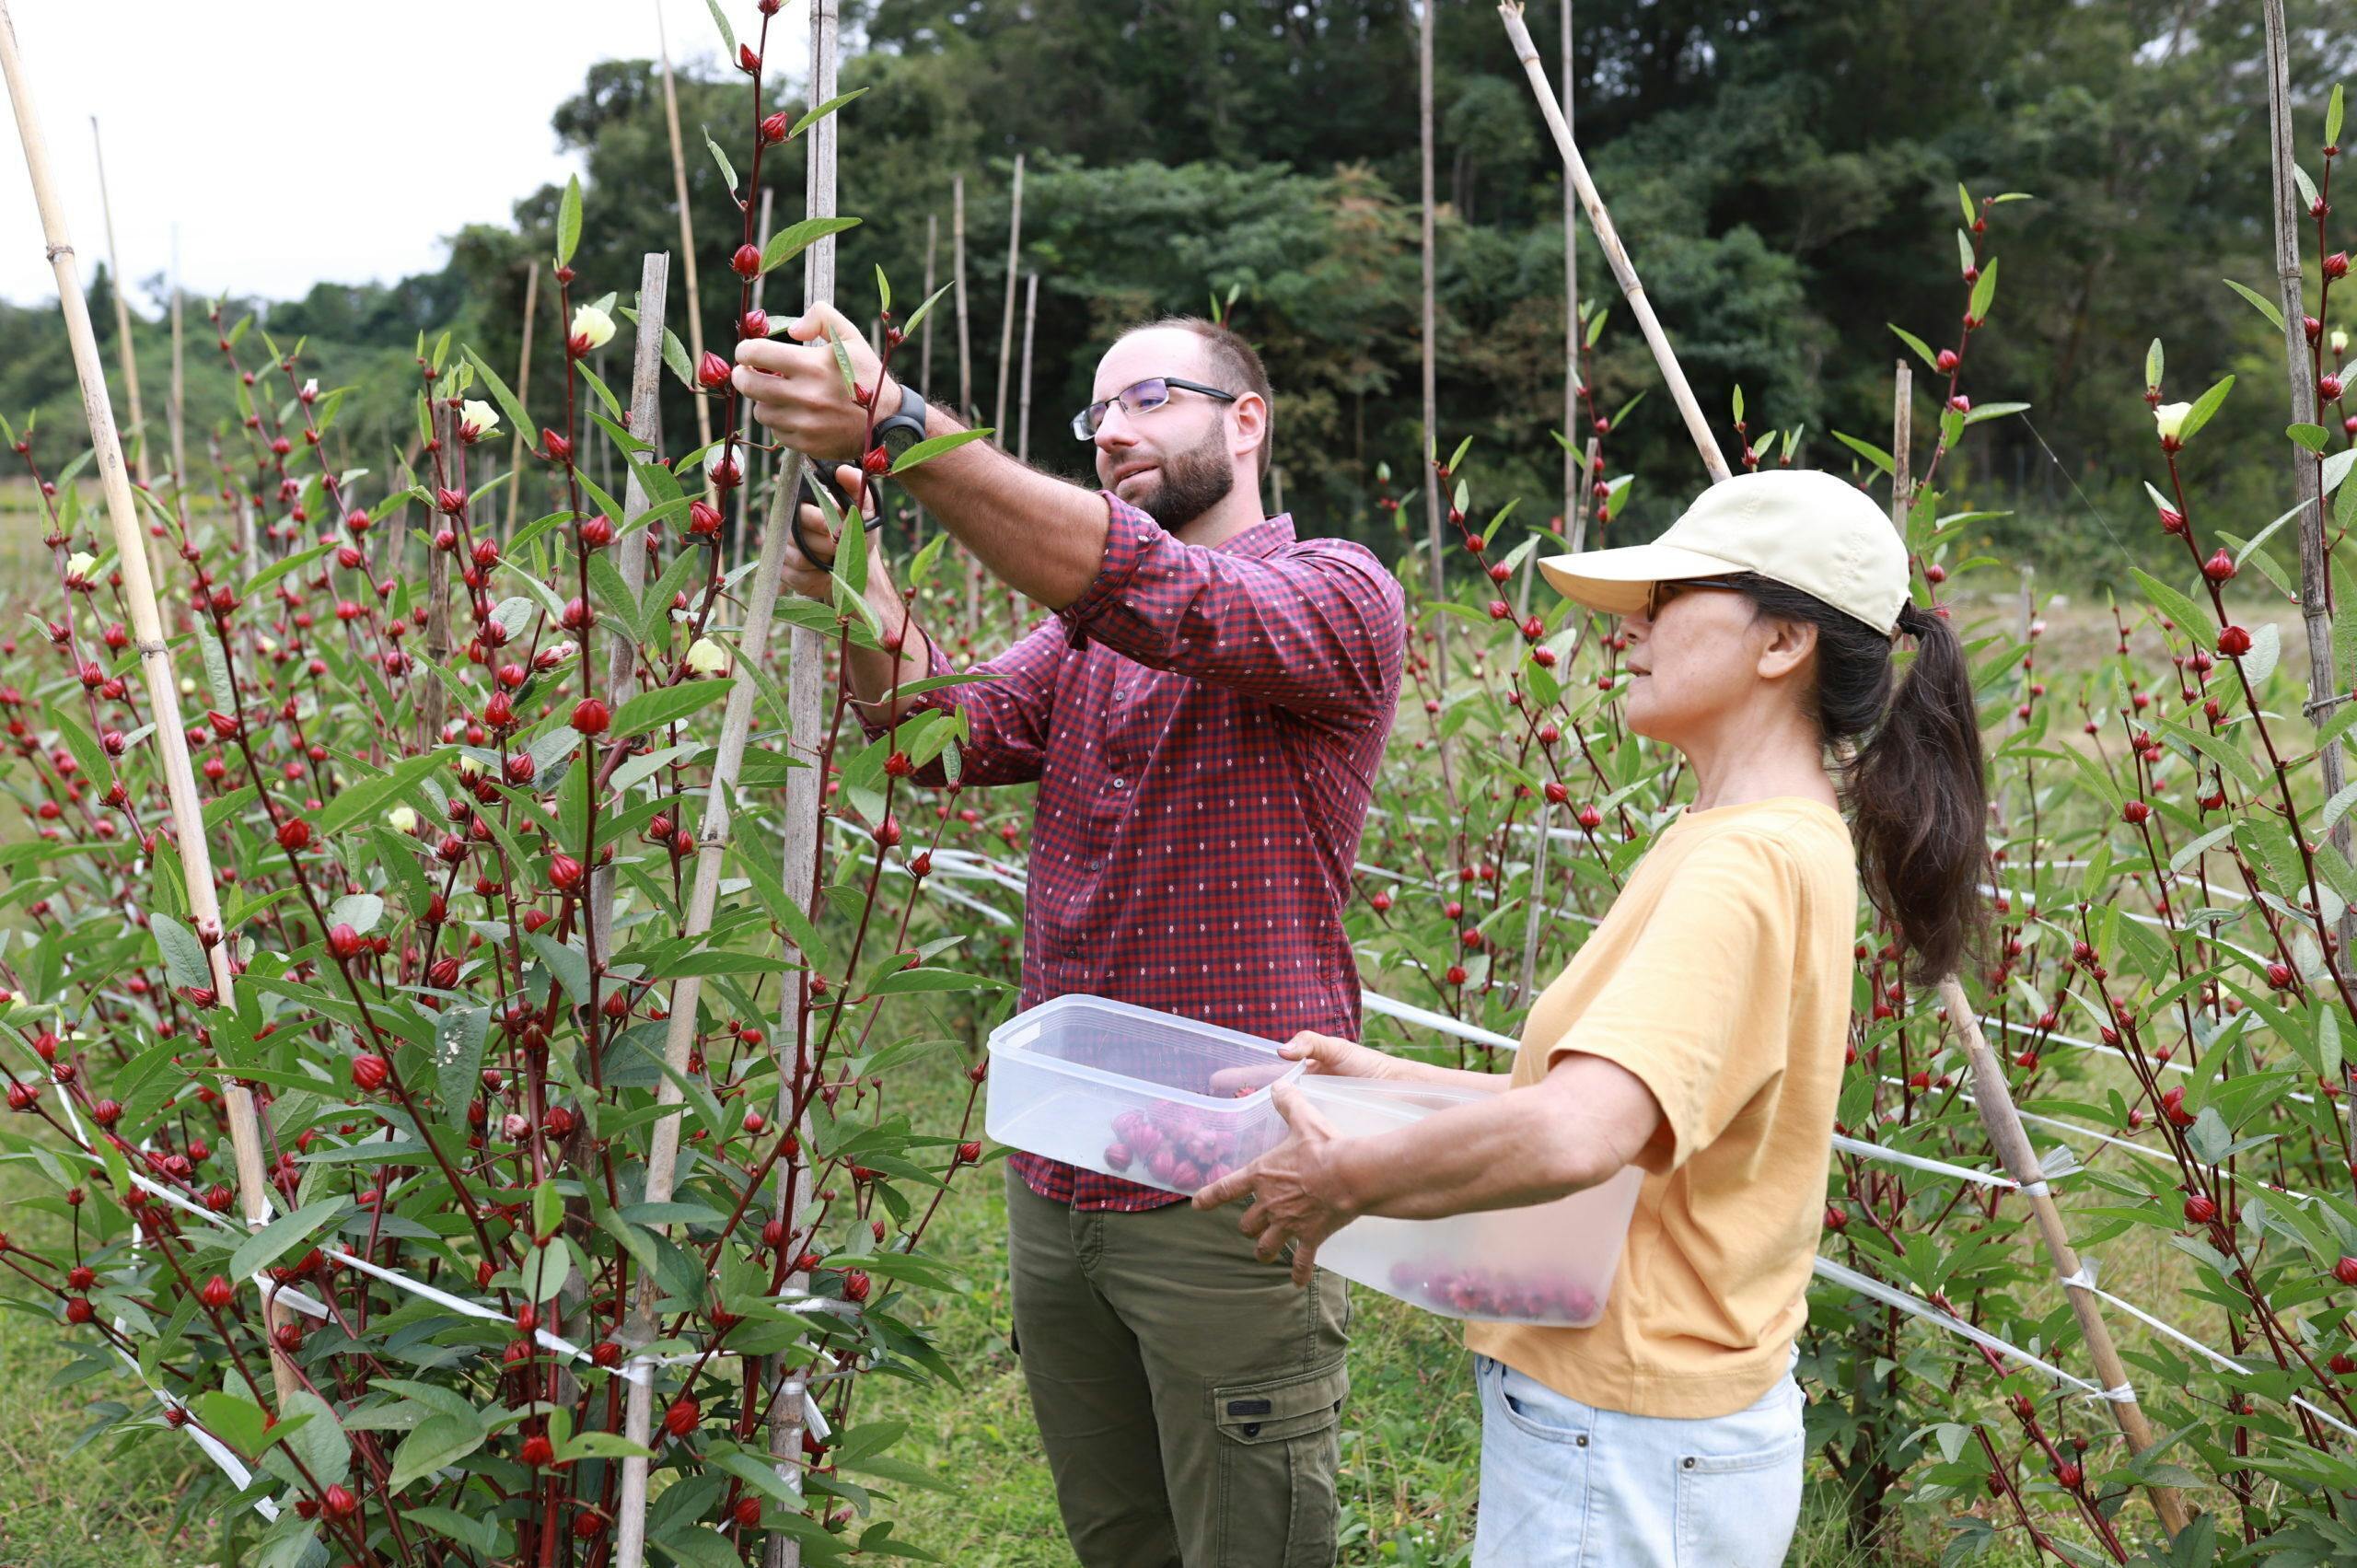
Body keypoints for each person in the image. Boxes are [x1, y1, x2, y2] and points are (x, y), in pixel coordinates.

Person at [1195, 468, 1991, 1567]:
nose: (1635, 626)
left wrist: (1344, 1179)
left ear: (1780, 644)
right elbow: (1646, 1110)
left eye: (1670, 598)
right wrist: (1385, 1082)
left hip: (1623, 1444)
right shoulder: (1750, 836)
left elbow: (1580, 1132)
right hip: (1646, 1435)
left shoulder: (1743, 863)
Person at [731, 308, 1407, 1567]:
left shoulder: (1339, 595)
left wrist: (899, 421)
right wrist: (860, 590)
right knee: (1120, 1537)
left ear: (1245, 419)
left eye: (1150, 396)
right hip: (1063, 1172)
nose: (1113, 431)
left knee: (1249, 1541)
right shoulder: (1085, 640)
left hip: (1234, 1185)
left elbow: (1163, 594)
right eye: (1098, 413)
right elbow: (953, 728)